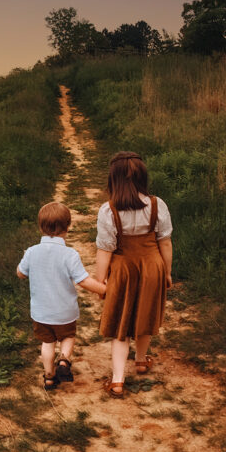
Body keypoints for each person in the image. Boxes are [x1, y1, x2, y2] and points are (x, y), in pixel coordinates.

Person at [94, 152, 173, 398]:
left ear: (113, 180)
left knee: (121, 322)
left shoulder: (108, 211)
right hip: (152, 266)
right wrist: (167, 273)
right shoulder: (157, 205)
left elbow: (105, 249)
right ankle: (140, 360)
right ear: (142, 178)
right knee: (146, 312)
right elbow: (166, 243)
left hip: (122, 269)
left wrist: (100, 280)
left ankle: (117, 380)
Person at [17, 202, 106, 390]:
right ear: (67, 227)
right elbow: (83, 280)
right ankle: (64, 361)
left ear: (40, 227)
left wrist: (25, 262)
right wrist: (103, 290)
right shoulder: (70, 255)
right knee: (67, 337)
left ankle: (49, 377)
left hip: (41, 312)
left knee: (47, 342)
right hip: (65, 311)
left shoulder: (32, 252)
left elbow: (20, 273)